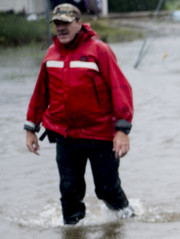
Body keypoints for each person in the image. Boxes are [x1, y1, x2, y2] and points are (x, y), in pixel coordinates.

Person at [25, 3, 134, 225]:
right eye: (57, 24)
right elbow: (40, 94)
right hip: (66, 136)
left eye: (65, 23)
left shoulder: (99, 50)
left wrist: (122, 131)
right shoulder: (51, 53)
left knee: (106, 190)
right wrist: (30, 128)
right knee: (69, 191)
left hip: (101, 135)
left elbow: (120, 88)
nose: (61, 28)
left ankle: (128, 222)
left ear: (78, 23)